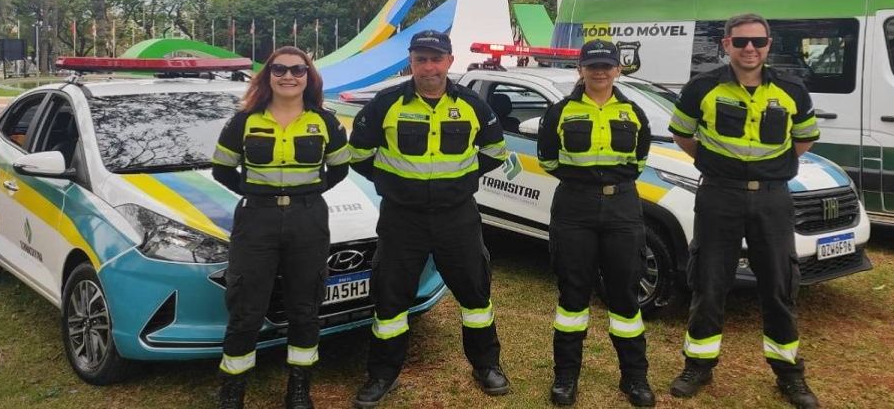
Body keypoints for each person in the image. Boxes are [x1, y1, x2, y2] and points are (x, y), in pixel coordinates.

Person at [347, 30, 511, 408]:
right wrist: (395, 184)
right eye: (421, 59)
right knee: (391, 297)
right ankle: (383, 374)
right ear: (411, 62)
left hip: (457, 216)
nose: (429, 67)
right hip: (402, 218)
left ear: (449, 61)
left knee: (475, 293)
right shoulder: (386, 103)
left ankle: (486, 365)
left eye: (436, 59)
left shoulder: (472, 104)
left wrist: (459, 182)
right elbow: (358, 155)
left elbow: (495, 152)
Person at [666, 14, 822, 409]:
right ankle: (698, 366)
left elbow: (803, 139)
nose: (749, 48)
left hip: (772, 198)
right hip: (719, 195)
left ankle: (789, 374)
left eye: (757, 41)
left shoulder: (792, 89)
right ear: (726, 44)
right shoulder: (702, 87)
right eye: (740, 42)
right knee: (709, 281)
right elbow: (682, 133)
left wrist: (770, 170)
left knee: (779, 284)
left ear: (769, 43)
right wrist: (716, 164)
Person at [211, 46, 351, 409]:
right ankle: (233, 390)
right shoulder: (243, 121)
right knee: (246, 307)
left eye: (297, 70)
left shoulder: (326, 122)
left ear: (308, 77)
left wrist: (307, 194)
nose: (289, 76)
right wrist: (256, 193)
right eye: (280, 69)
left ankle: (299, 388)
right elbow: (222, 169)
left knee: (305, 306)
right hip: (256, 220)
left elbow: (339, 169)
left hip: (308, 220)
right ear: (268, 75)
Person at [537, 40, 656, 407]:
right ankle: (566, 377)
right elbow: (548, 160)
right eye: (593, 65)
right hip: (575, 207)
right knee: (573, 294)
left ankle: (634, 377)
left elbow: (638, 161)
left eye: (606, 65)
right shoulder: (559, 112)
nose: (600, 71)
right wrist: (584, 182)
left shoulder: (634, 112)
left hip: (622, 207)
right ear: (581, 69)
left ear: (618, 69)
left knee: (624, 293)